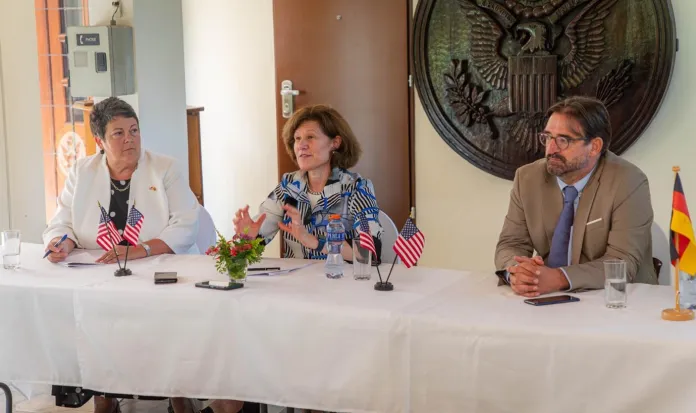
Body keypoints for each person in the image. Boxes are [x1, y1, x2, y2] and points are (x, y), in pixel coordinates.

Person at [41, 97, 200, 413]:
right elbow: (63, 222)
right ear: (99, 141)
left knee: (166, 319)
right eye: (119, 133)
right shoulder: (81, 172)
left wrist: (139, 250)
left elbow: (186, 225)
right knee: (95, 315)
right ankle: (105, 394)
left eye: (134, 130)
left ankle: (179, 392)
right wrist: (62, 244)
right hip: (102, 270)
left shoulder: (165, 168)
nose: (130, 139)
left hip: (159, 265)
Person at [494, 96, 656, 297]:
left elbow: (622, 262)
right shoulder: (527, 178)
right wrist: (517, 272)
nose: (551, 149)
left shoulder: (628, 182)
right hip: (548, 298)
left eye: (563, 140)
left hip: (617, 301)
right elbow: (511, 243)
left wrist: (558, 278)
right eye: (547, 137)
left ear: (595, 147)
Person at [234, 104, 383, 261]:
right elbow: (253, 245)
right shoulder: (288, 186)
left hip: (340, 281)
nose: (301, 145)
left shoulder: (356, 187)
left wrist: (313, 241)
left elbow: (370, 253)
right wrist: (248, 238)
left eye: (310, 137)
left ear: (335, 143)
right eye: (298, 138)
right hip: (295, 282)